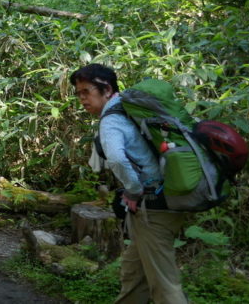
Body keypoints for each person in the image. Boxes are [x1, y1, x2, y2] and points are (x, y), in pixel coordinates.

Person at [70, 63, 189, 304]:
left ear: (106, 89)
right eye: (78, 93)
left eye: (86, 91)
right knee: (134, 273)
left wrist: (133, 191)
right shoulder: (127, 108)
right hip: (163, 200)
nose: (82, 99)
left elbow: (116, 158)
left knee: (164, 286)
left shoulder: (111, 120)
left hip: (153, 206)